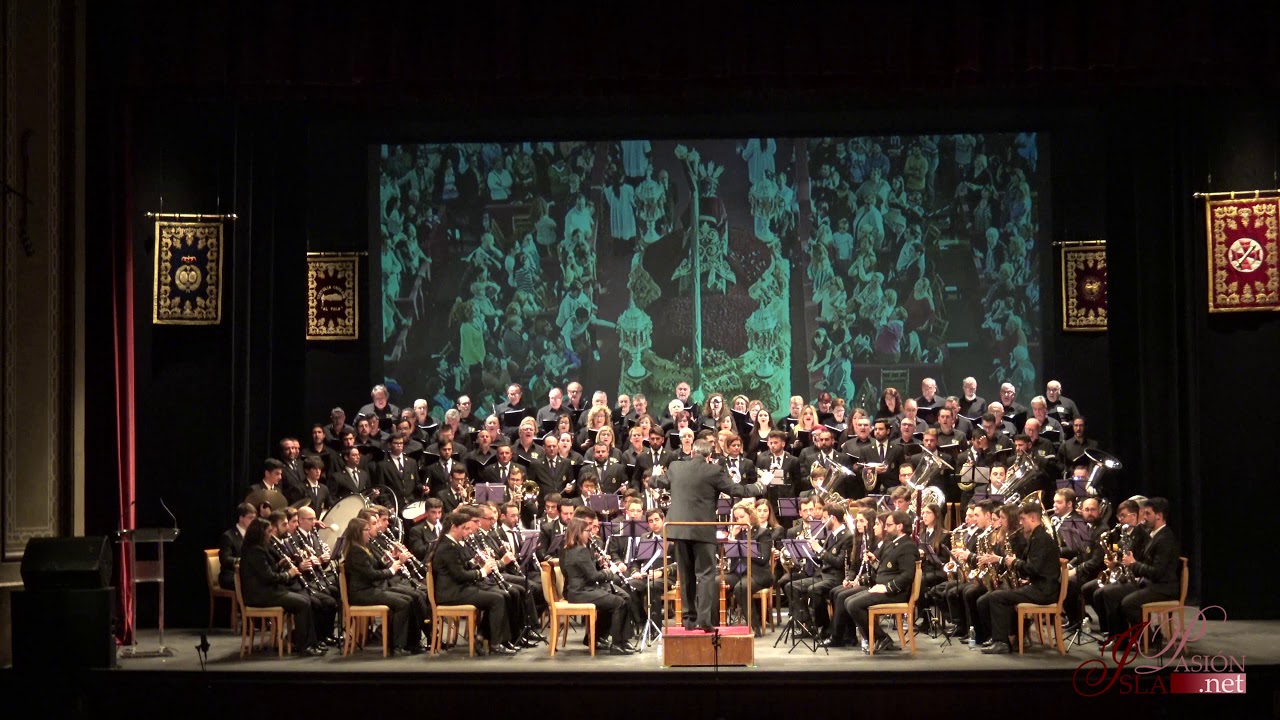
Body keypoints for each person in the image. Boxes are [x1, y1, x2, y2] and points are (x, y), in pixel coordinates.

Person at [650, 438, 766, 631]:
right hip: (703, 529)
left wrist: (654, 476)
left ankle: (688, 620)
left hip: (678, 528)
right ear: (709, 456)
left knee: (685, 574)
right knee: (705, 575)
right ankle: (704, 619)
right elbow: (737, 490)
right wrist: (761, 485)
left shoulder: (676, 466)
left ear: (693, 453)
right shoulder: (714, 470)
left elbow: (657, 482)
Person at [978, 502, 1062, 654]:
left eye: (1023, 519)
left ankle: (1001, 642)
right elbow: (1036, 568)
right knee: (1001, 595)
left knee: (997, 597)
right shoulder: (1036, 536)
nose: (1021, 523)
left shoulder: (1041, 538)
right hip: (1039, 586)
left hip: (1044, 591)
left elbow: (1033, 568)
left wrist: (1013, 562)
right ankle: (1011, 637)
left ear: (1033, 518)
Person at [1094, 497, 1180, 642]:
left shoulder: (1165, 538)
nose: (1144, 517)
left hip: (1163, 587)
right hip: (1150, 583)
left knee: (1129, 603)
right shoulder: (1155, 535)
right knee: (1110, 592)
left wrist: (1133, 564)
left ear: (1159, 516)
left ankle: (1146, 639)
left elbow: (1157, 572)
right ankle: (1119, 638)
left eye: (1147, 514)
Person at [431, 510, 517, 655]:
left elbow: (460, 567)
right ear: (454, 527)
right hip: (452, 593)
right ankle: (496, 642)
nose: (468, 532)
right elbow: (459, 575)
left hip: (460, 589)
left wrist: (474, 561)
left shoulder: (454, 544)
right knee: (497, 599)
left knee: (502, 594)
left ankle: (488, 637)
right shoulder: (447, 547)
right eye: (465, 528)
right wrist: (483, 571)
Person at [239, 517, 323, 656]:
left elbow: (268, 571)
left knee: (305, 600)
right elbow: (269, 577)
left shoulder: (259, 549)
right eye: (268, 531)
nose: (270, 534)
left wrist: (280, 565)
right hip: (260, 595)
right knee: (302, 603)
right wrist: (289, 574)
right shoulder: (255, 551)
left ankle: (311, 643)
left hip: (268, 591)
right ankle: (304, 646)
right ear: (260, 533)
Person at [342, 516, 424, 655]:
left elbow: (379, 564)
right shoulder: (356, 551)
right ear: (358, 532)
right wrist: (391, 570)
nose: (369, 532)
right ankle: (395, 645)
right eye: (366, 530)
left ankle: (412, 643)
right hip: (362, 593)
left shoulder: (364, 547)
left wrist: (394, 558)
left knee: (411, 599)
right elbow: (371, 574)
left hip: (371, 588)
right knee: (403, 603)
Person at [843, 510, 919, 653]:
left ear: (899, 526)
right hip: (882, 588)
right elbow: (887, 569)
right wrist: (874, 562)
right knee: (848, 601)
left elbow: (907, 575)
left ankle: (880, 638)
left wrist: (887, 588)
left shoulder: (907, 546)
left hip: (896, 592)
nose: (885, 528)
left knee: (854, 604)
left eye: (889, 525)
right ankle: (877, 638)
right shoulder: (893, 543)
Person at [559, 515, 636, 654]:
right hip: (581, 592)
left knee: (617, 599)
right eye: (587, 531)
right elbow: (593, 576)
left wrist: (599, 563)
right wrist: (609, 571)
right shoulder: (580, 551)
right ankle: (618, 644)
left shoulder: (576, 549)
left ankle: (607, 638)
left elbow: (587, 571)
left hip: (582, 591)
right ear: (578, 533)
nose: (590, 533)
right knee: (619, 602)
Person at [723, 501, 775, 636]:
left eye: (742, 517)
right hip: (738, 572)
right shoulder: (737, 533)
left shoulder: (763, 533)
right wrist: (732, 537)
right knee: (716, 582)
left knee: (742, 588)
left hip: (758, 574)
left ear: (750, 516)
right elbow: (727, 555)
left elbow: (763, 558)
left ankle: (753, 627)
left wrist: (745, 547)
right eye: (736, 518)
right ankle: (717, 625)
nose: (739, 521)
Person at [217, 502, 257, 590]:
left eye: (255, 518)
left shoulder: (254, 535)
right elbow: (225, 558)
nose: (253, 521)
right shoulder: (228, 536)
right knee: (253, 584)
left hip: (248, 574)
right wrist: (242, 561)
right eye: (250, 518)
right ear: (241, 518)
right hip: (231, 575)